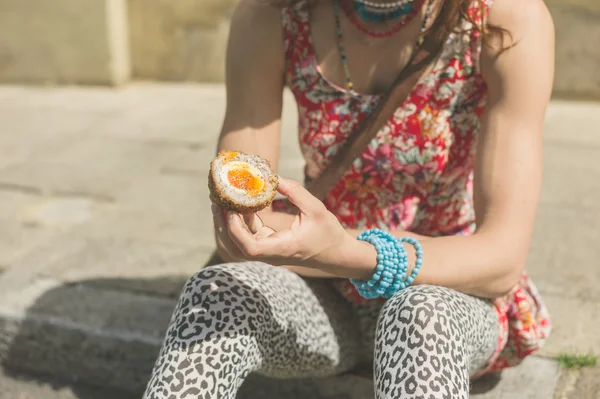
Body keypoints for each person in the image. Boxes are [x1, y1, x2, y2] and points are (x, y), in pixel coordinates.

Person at [143, 0, 554, 397]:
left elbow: (501, 259)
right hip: (325, 299)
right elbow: (246, 219)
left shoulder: (505, 19)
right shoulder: (273, 15)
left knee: (421, 316)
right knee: (215, 295)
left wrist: (349, 252)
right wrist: (306, 248)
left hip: (449, 289)